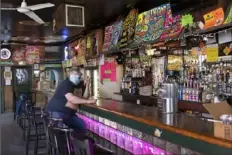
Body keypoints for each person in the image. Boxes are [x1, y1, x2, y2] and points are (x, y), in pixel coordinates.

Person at [46, 67, 97, 133]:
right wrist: (88, 101)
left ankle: (72, 141)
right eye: (78, 76)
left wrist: (87, 85)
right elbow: (71, 99)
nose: (79, 78)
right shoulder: (66, 84)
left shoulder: (76, 84)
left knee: (82, 126)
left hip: (68, 114)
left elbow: (84, 97)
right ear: (72, 74)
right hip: (58, 112)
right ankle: (65, 142)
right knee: (70, 130)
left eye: (80, 76)